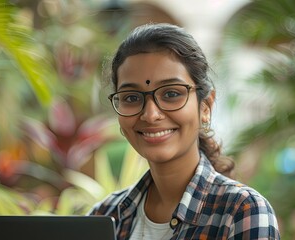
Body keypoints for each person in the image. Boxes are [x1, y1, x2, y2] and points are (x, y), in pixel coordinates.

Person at [88, 23, 280, 240]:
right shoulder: (105, 215)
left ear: (205, 106)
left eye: (171, 94)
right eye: (131, 98)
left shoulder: (241, 212)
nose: (151, 115)